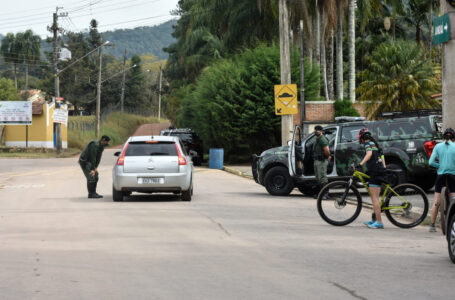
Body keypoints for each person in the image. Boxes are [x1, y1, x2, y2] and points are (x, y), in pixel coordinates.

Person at [357, 128, 387, 229]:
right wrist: (383, 168)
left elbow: (369, 154)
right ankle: (374, 220)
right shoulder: (374, 144)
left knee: (374, 199)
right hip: (379, 170)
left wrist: (360, 164)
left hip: (375, 172)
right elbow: (382, 157)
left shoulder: (367, 144)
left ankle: (379, 222)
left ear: (361, 138)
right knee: (374, 198)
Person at [428, 128, 455, 232]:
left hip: (441, 175)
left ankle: (432, 225)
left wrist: (439, 165)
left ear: (443, 137)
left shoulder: (438, 146)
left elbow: (430, 162)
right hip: (453, 176)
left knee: (436, 201)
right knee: (454, 200)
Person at [313, 125, 331, 199]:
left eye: (317, 130)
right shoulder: (317, 138)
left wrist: (327, 156)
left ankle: (325, 194)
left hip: (322, 161)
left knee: (323, 178)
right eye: (315, 130)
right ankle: (320, 194)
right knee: (318, 178)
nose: (315, 131)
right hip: (317, 160)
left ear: (320, 131)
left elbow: (326, 150)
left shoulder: (322, 139)